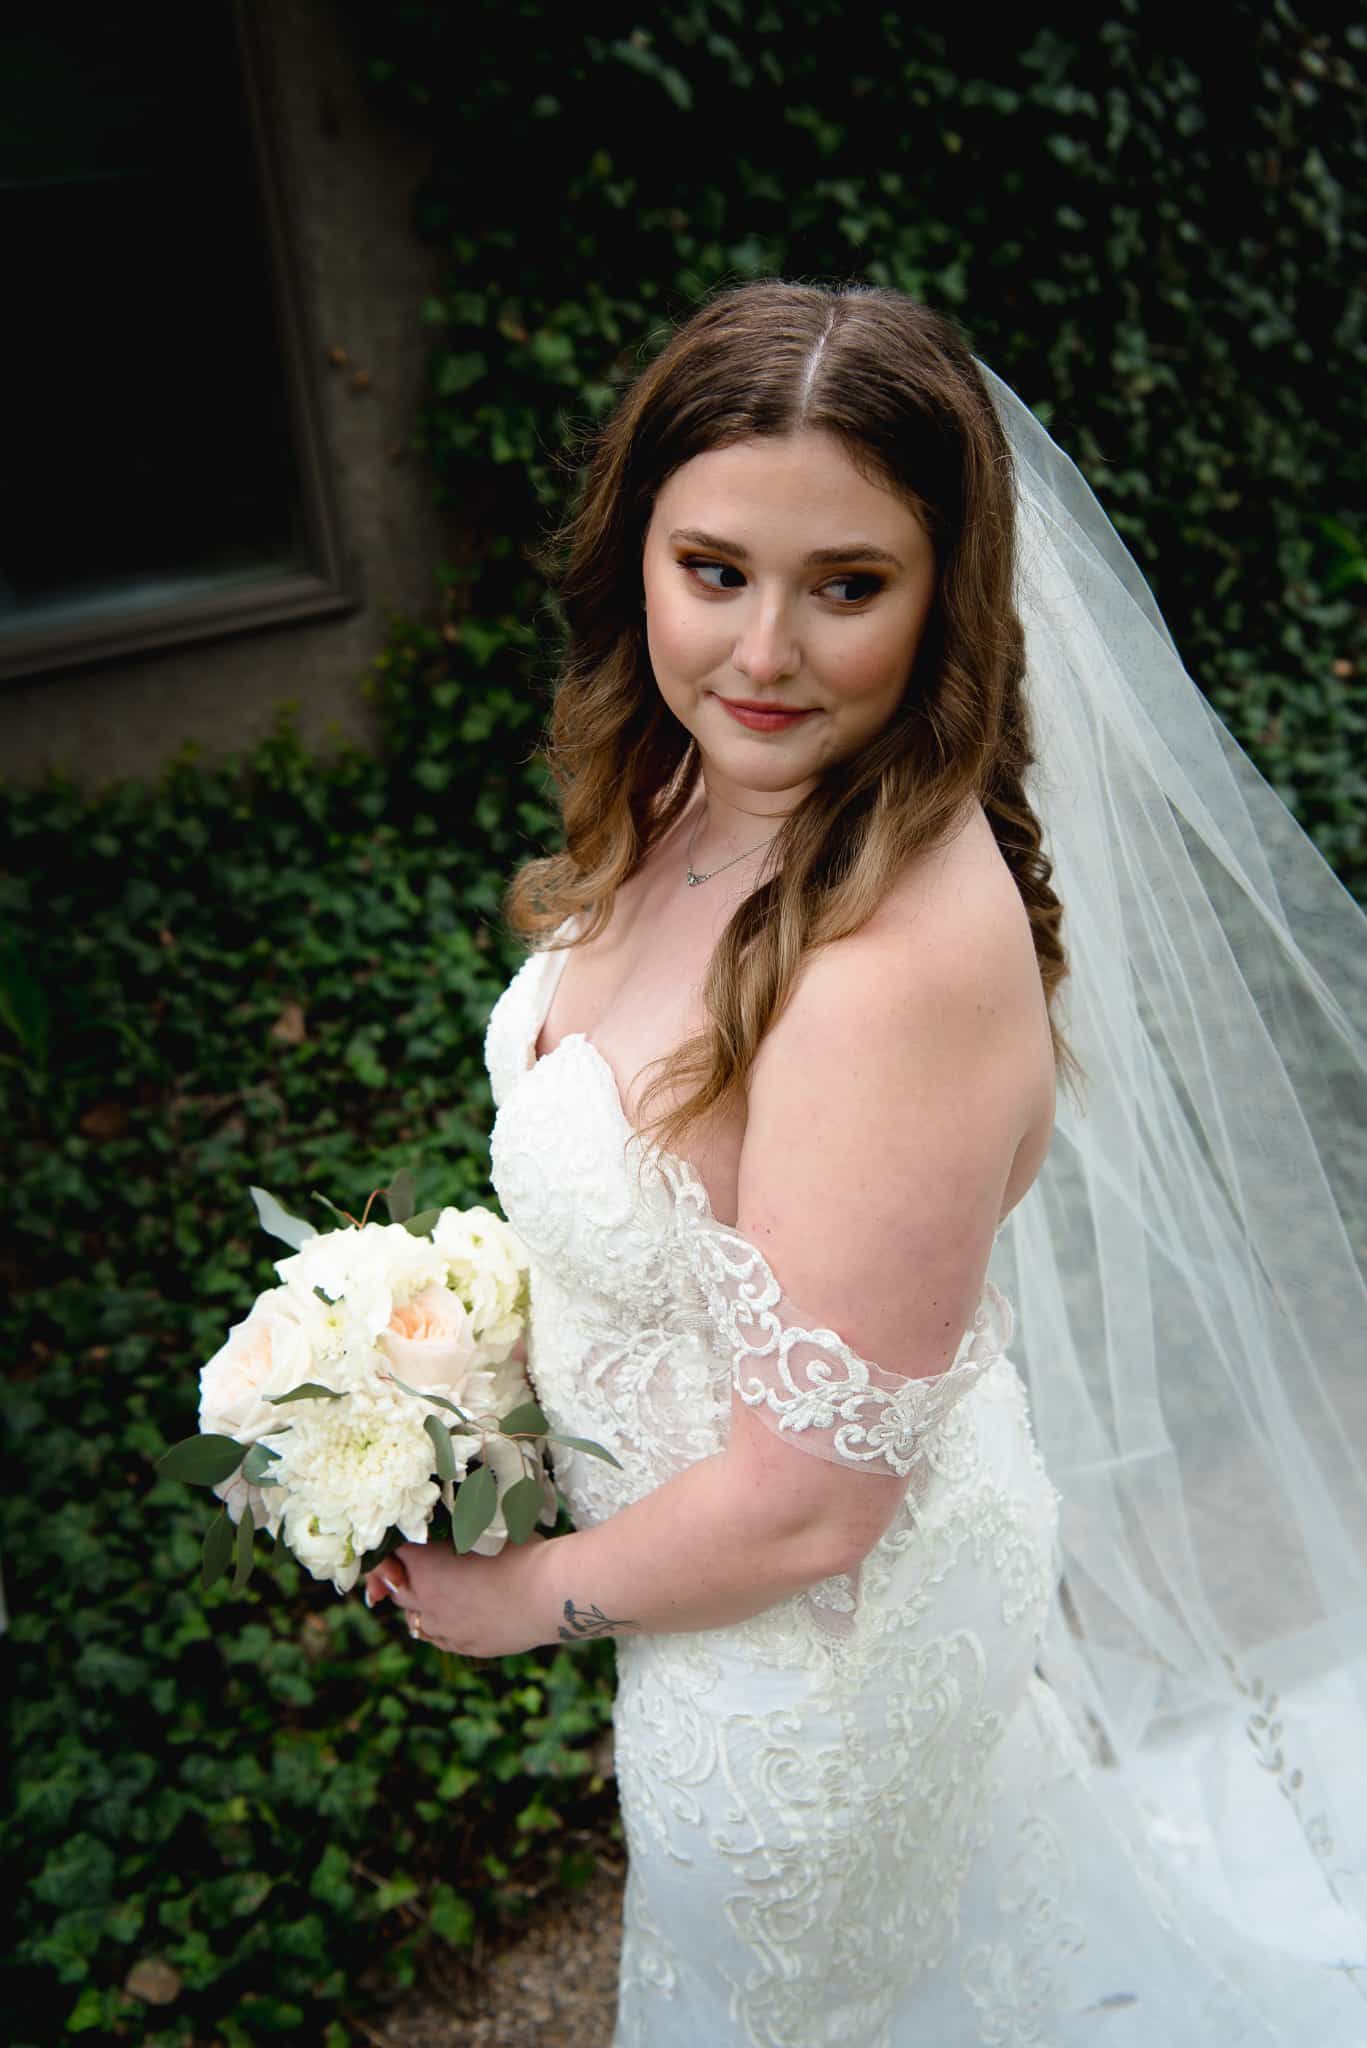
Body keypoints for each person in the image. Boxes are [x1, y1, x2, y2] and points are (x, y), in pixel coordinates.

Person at [368, 283, 1367, 2044]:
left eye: (848, 586)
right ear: (636, 553)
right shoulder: (703, 787)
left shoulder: (892, 966)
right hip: (738, 1601)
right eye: (714, 570)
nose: (762, 655)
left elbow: (817, 1499)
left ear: (943, 596)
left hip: (809, 1666)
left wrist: (512, 1600)